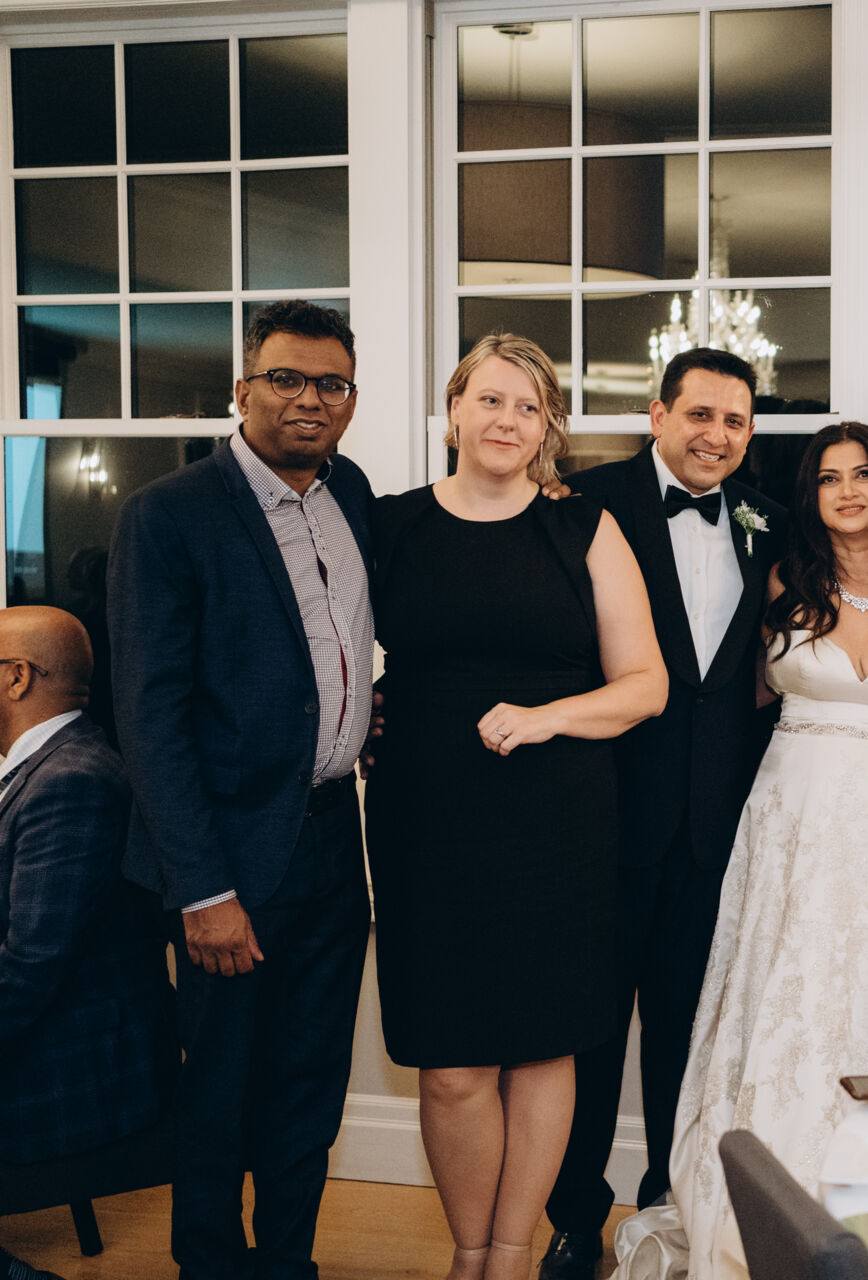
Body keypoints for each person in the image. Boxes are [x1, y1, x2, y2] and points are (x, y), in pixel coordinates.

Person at [364, 333, 666, 1280]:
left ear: (548, 430)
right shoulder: (389, 525)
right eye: (490, 400)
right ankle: (467, 1253)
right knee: (451, 1063)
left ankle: (507, 1255)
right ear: (453, 411)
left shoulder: (584, 530)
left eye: (529, 408)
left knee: (542, 1049)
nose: (507, 420)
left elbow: (646, 684)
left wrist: (547, 718)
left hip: (556, 824)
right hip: (424, 823)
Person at [659, 423, 868, 1280]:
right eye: (829, 478)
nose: (846, 491)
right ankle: (772, 1197)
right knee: (786, 984)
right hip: (791, 819)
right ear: (812, 494)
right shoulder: (782, 581)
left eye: (862, 474)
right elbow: (734, 699)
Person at [109, 299, 374, 1280]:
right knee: (220, 1088)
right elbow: (151, 717)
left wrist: (367, 711)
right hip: (226, 853)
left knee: (311, 1080)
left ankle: (289, 1263)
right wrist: (203, 890)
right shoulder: (169, 514)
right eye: (286, 378)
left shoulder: (353, 495)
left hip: (331, 837)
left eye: (331, 383)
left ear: (352, 398)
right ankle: (212, 1265)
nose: (310, 399)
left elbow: (329, 656)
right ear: (243, 388)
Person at [540, 348, 786, 1280]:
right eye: (700, 415)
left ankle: (666, 1211)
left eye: (734, 420)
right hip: (603, 817)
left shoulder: (768, 519)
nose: (716, 435)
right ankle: (574, 1220)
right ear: (657, 415)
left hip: (715, 827)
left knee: (688, 1037)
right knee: (590, 1035)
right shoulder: (581, 502)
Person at [0, 607, 174, 1280]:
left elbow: (30, 968)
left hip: (65, 1071)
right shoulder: (42, 769)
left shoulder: (71, 782)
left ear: (17, 678)